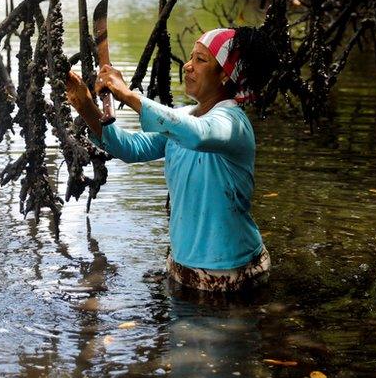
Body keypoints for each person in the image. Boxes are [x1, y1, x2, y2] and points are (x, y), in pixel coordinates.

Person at [65, 27, 279, 292]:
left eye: (201, 60)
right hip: (182, 270)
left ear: (225, 74)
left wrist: (130, 95)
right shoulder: (186, 117)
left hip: (235, 275)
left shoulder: (233, 123)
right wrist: (86, 106)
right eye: (190, 57)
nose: (188, 66)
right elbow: (131, 148)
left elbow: (199, 135)